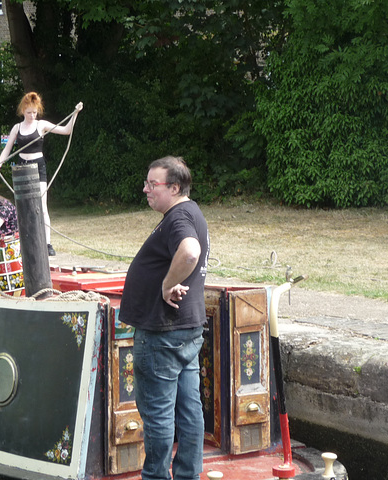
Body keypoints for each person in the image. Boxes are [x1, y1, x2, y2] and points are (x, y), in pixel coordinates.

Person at [119, 156, 210, 480]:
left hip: (163, 334)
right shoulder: (191, 212)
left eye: (152, 184)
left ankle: (156, 476)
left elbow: (189, 251)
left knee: (157, 414)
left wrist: (167, 285)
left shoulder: (178, 218)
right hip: (185, 330)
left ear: (174, 187)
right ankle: (187, 475)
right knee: (189, 411)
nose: (145, 189)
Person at [0, 92, 83, 256]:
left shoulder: (41, 124)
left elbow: (66, 130)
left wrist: (75, 113)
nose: (32, 115)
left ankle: (47, 243)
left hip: (38, 167)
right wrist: (0, 162)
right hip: (22, 168)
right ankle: (26, 242)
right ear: (23, 110)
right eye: (29, 112)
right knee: (24, 207)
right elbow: (7, 149)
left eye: (34, 112)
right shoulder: (17, 128)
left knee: (42, 207)